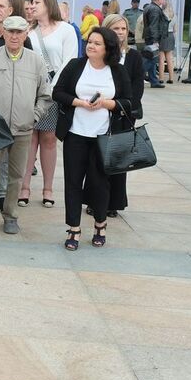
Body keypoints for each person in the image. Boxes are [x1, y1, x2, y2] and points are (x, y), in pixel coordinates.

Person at [0, 15, 52, 234]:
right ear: (3, 32)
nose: (14, 36)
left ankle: (10, 215)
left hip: (22, 130)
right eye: (10, 31)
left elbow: (44, 95)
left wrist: (34, 116)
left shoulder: (36, 61)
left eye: (19, 32)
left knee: (16, 176)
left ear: (26, 34)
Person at [54, 27, 133, 250]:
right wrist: (79, 102)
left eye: (97, 43)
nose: (91, 46)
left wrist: (106, 103)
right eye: (89, 42)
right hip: (75, 134)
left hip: (104, 136)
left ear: (108, 48)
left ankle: (100, 223)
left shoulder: (117, 71)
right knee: (72, 182)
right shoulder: (75, 66)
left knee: (100, 183)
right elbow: (57, 93)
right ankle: (74, 228)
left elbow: (129, 102)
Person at [19, 0, 80, 208]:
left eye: (37, 2)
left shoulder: (66, 29)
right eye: (31, 3)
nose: (32, 6)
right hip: (28, 91)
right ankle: (24, 187)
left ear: (49, 4)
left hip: (54, 92)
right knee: (28, 140)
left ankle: (48, 188)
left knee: (49, 139)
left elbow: (70, 60)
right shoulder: (29, 30)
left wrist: (54, 89)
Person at [102, 13, 145, 218]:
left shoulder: (133, 56)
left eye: (123, 29)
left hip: (124, 114)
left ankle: (114, 203)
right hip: (100, 112)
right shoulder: (98, 53)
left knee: (119, 159)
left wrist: (125, 107)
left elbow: (138, 85)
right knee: (98, 158)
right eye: (115, 28)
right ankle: (95, 199)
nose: (119, 32)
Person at [140, 0, 169, 89]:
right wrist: (155, 40)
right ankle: (138, 74)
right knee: (151, 59)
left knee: (152, 58)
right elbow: (154, 25)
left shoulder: (149, 7)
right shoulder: (155, 9)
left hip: (149, 36)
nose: (163, 0)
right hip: (153, 38)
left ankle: (154, 80)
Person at [158, 0, 178, 84]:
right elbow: (175, 29)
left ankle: (161, 78)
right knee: (169, 58)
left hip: (163, 36)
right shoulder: (174, 15)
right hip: (170, 36)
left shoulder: (161, 14)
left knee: (161, 59)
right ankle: (171, 78)